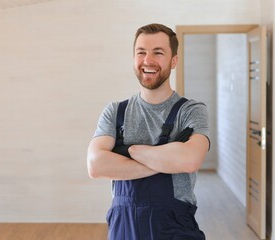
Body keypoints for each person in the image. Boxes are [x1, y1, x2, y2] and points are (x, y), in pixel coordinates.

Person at [87, 23, 210, 240]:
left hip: (175, 228)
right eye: (141, 52)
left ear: (174, 60)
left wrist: (127, 150)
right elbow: (96, 165)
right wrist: (165, 160)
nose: (148, 60)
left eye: (158, 52)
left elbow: (189, 160)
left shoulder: (191, 111)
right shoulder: (115, 111)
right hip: (124, 228)